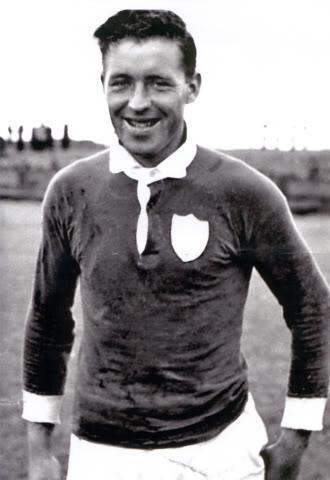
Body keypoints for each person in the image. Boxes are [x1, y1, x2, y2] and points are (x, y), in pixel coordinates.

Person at [22, 9, 330, 480]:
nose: (138, 102)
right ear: (102, 84)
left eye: (159, 83)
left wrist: (296, 436)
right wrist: (38, 449)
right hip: (100, 453)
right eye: (121, 82)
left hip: (220, 452)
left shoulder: (245, 191)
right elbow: (48, 319)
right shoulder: (71, 190)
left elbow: (313, 309)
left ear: (193, 86)